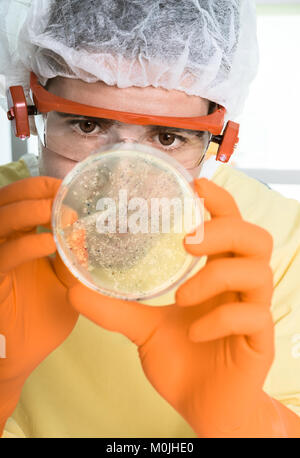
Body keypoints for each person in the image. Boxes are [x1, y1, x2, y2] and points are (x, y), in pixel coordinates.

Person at [1, 0, 300, 438]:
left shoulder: (281, 239)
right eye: (86, 126)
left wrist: (239, 420)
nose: (121, 181)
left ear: (218, 142)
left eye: (167, 137)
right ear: (31, 117)